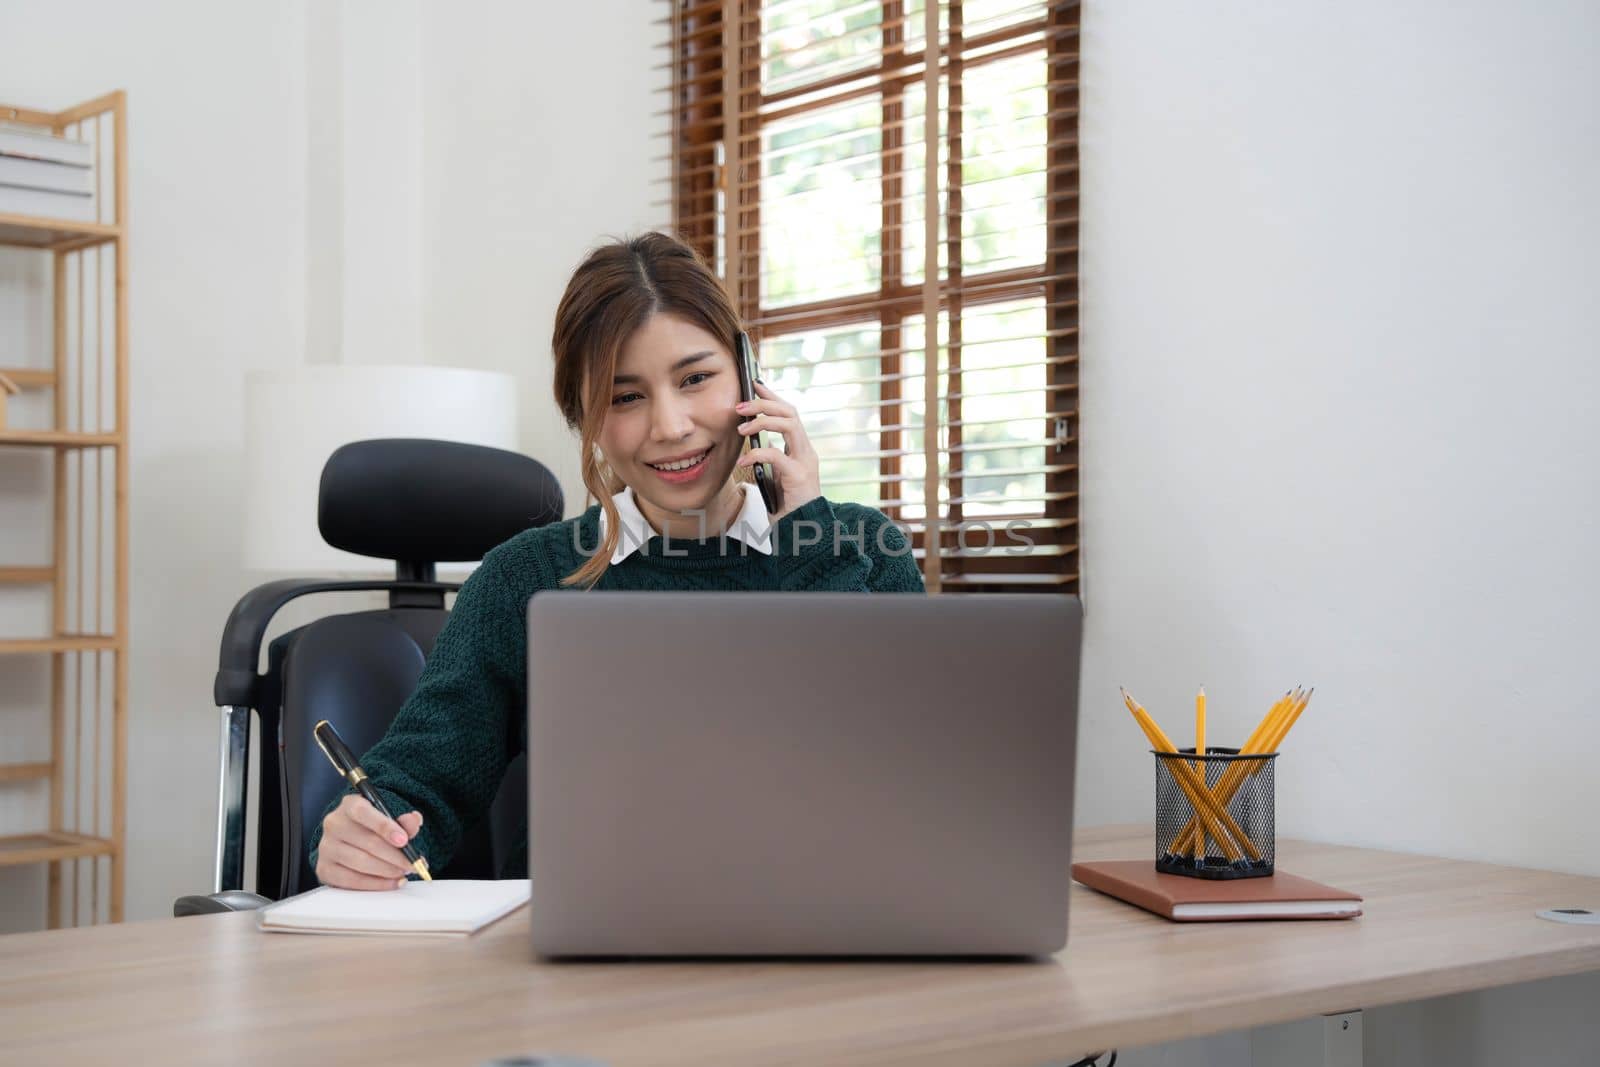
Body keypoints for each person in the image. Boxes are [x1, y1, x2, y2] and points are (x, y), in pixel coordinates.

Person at [309, 232, 925, 890]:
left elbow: (902, 780)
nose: (670, 425)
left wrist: (809, 536)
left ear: (749, 378)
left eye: (696, 378)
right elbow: (416, 785)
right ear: (587, 417)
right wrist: (365, 835)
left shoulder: (859, 549)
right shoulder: (527, 577)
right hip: (584, 956)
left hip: (826, 936)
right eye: (626, 396)